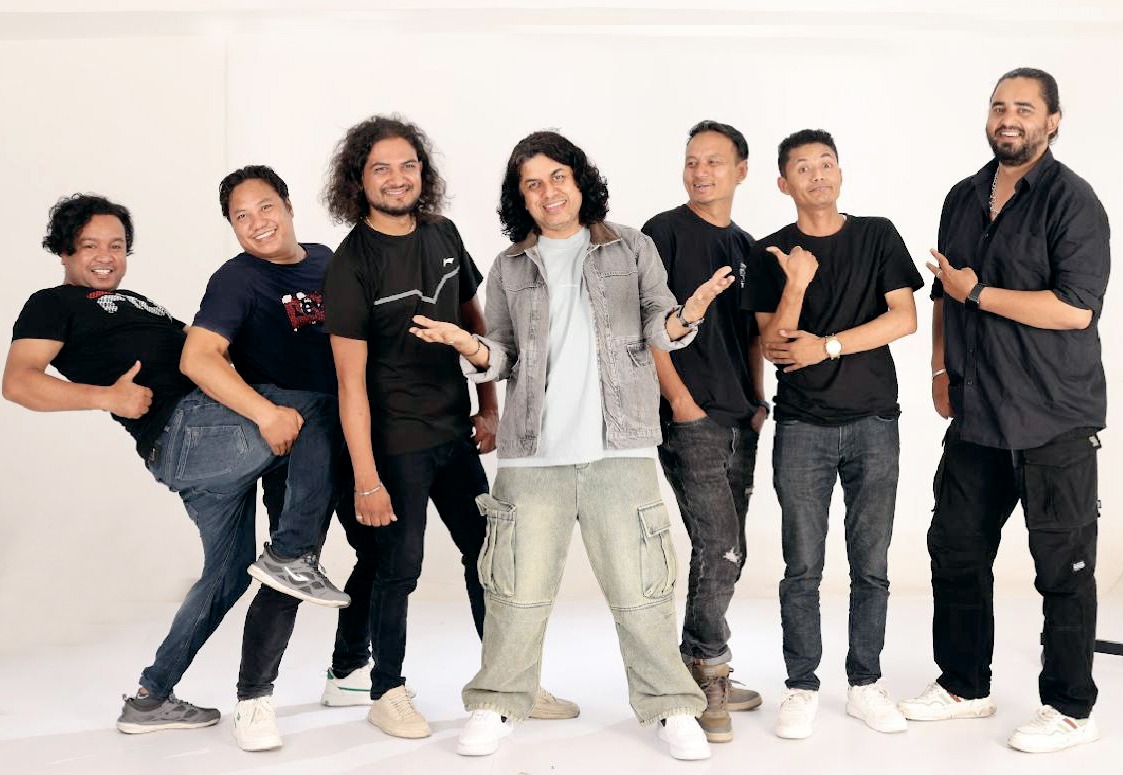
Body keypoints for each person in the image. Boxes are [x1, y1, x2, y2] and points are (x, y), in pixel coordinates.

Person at [409, 130, 735, 761]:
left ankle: (671, 707)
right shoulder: (510, 265)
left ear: (580, 180)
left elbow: (660, 326)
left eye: (557, 176)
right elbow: (502, 354)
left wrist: (688, 312)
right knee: (515, 592)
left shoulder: (631, 246)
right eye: (532, 184)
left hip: (621, 448)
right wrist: (468, 345)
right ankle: (497, 703)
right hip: (533, 455)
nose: (548, 191)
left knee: (641, 593)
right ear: (521, 197)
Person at [3, 194, 342, 736]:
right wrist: (105, 398)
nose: (106, 256)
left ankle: (150, 697)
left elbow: (209, 352)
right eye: (90, 246)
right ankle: (293, 556)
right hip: (188, 432)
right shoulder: (51, 303)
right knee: (315, 408)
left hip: (207, 443)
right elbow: (18, 382)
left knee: (228, 576)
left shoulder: (140, 303)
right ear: (64, 251)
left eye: (117, 245)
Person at [322, 115, 578, 739]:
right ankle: (387, 691)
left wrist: (488, 408)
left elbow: (475, 326)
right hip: (394, 444)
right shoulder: (351, 264)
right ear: (359, 180)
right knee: (398, 569)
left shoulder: (442, 232)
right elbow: (349, 386)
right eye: (381, 168)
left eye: (408, 165)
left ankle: (509, 681)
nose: (397, 178)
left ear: (423, 172)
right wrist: (365, 479)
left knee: (487, 560)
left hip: (453, 433)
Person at [899, 68, 1109, 754]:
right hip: (977, 414)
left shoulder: (1072, 201)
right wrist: (939, 367)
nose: (1007, 117)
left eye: (1023, 107)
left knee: (1062, 569)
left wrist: (979, 293)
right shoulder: (963, 197)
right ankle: (964, 685)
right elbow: (943, 289)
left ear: (1052, 120)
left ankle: (1070, 708)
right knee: (955, 548)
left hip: (1053, 417)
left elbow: (1074, 309)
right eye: (998, 106)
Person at [744, 129, 922, 739]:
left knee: (871, 564)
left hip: (874, 420)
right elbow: (775, 347)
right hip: (802, 428)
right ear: (783, 183)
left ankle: (865, 684)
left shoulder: (877, 234)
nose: (817, 175)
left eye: (826, 164)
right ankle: (801, 686)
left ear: (840, 172)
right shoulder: (769, 253)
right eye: (803, 167)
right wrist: (796, 283)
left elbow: (904, 318)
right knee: (802, 565)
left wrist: (828, 346)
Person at [180, 165, 356, 750]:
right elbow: (198, 357)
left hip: (352, 438)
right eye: (241, 216)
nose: (257, 222)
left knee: (383, 554)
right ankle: (254, 700)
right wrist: (264, 413)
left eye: (265, 207)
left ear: (287, 204)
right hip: (293, 448)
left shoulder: (326, 260)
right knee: (287, 570)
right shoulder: (236, 280)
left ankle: (349, 672)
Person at [641, 119, 767, 743]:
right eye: (692, 160)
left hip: (740, 417)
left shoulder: (747, 245)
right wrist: (680, 400)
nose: (700, 171)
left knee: (729, 548)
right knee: (718, 544)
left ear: (741, 171)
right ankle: (707, 672)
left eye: (714, 161)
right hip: (689, 417)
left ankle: (697, 660)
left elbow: (751, 335)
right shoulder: (662, 233)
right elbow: (644, 324)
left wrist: (758, 400)